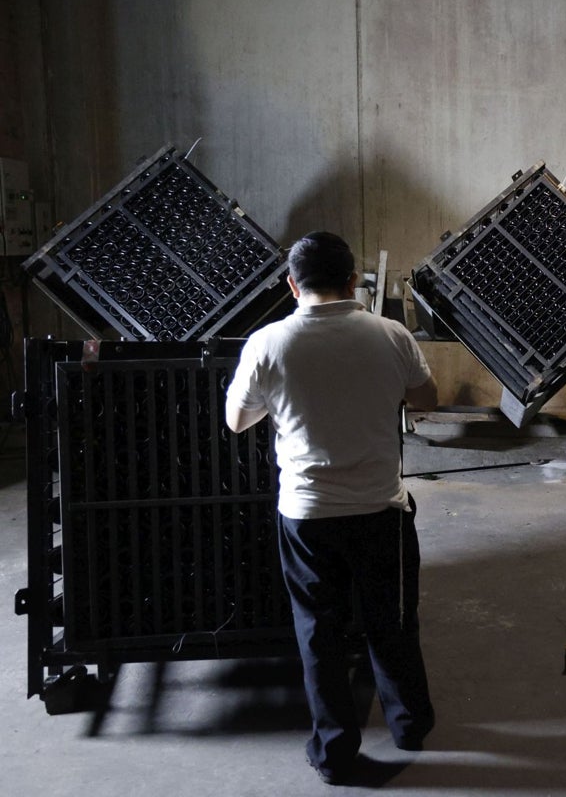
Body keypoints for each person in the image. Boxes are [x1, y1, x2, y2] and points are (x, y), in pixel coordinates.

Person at [225, 231, 438, 785]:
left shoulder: (268, 343)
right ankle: (410, 726)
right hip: (380, 510)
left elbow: (236, 420)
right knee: (388, 622)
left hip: (306, 513)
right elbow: (427, 399)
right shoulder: (390, 335)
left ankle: (335, 750)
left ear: (292, 284)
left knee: (318, 632)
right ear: (353, 282)